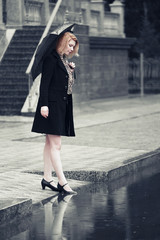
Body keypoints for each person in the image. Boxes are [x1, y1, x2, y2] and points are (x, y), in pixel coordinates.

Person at [31, 31, 79, 195]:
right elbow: (44, 84)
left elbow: (68, 83)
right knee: (56, 145)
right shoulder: (51, 58)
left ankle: (47, 178)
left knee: (49, 144)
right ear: (63, 43)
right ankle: (62, 182)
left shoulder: (63, 60)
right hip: (51, 106)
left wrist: (72, 70)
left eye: (73, 46)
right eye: (70, 45)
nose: (71, 49)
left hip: (61, 106)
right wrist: (44, 105)